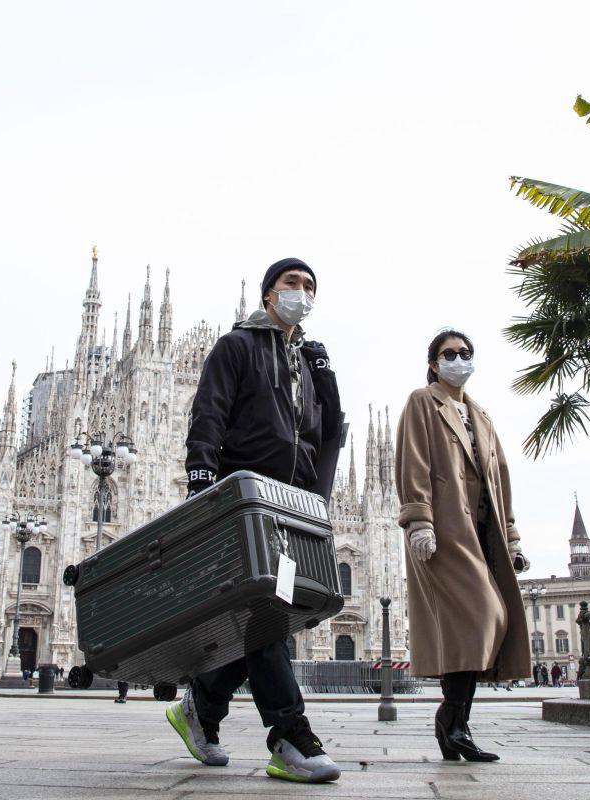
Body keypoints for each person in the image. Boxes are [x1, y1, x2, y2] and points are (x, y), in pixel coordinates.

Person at [169, 258, 343, 782]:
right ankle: (289, 733)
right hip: (245, 497)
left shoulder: (305, 365)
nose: (302, 293)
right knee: (266, 609)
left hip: (290, 504)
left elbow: (325, 434)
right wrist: (202, 472)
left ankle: (201, 706)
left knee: (271, 612)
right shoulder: (237, 346)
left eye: (310, 286)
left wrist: (326, 380)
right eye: (292, 284)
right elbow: (210, 409)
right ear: (270, 294)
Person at [395, 329, 531, 763]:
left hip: (482, 533)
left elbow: (502, 479)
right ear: (433, 363)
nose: (459, 359)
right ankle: (453, 720)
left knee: (484, 621)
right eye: (449, 354)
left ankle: (455, 724)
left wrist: (511, 536)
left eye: (465, 353)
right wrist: (418, 520)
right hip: (445, 531)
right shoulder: (422, 401)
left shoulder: (482, 416)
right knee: (482, 615)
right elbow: (412, 459)